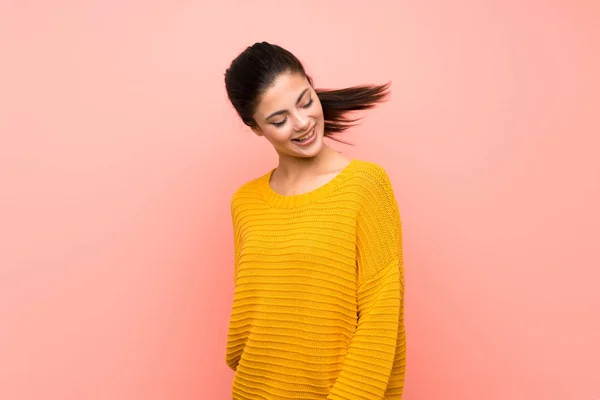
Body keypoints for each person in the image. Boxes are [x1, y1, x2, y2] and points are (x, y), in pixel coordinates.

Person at [223, 41, 406, 400]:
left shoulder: (365, 186)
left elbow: (381, 318)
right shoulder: (245, 202)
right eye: (279, 120)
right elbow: (251, 317)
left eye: (305, 101)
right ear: (255, 127)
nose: (303, 123)